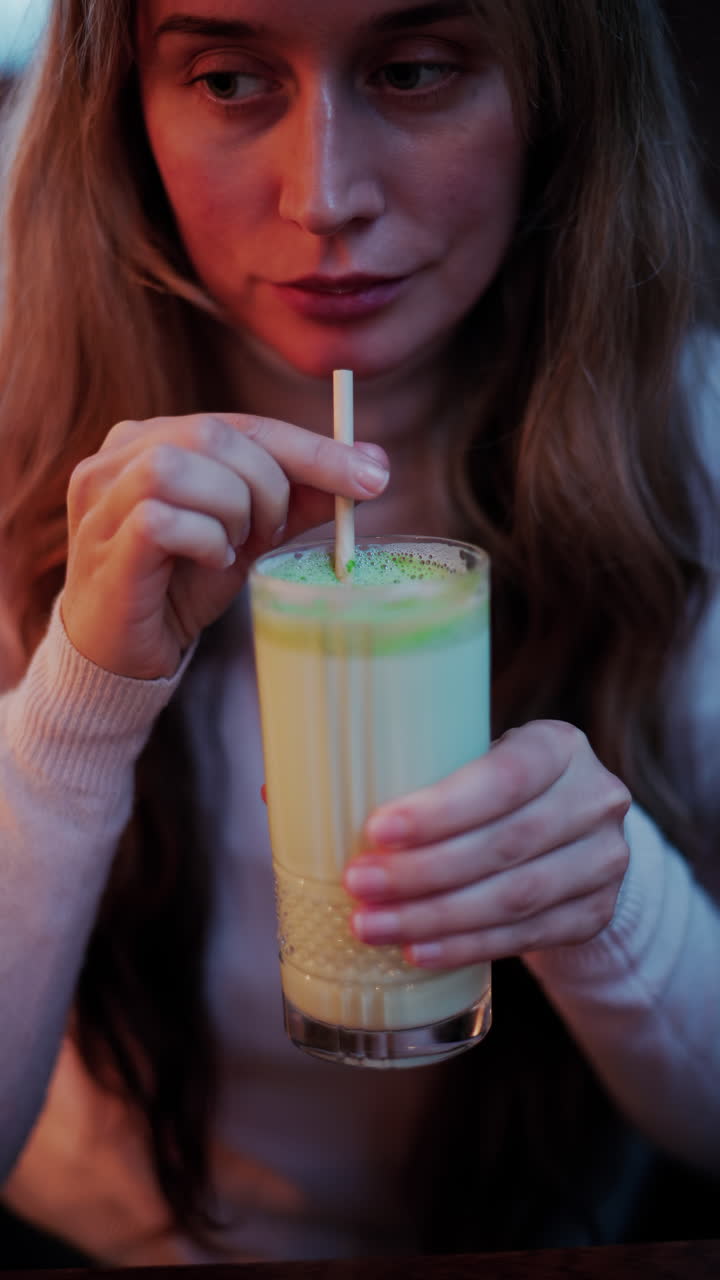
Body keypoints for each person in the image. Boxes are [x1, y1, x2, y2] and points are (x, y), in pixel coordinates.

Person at [0, 0, 719, 1264]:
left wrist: (609, 899)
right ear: (126, 114)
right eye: (228, 79)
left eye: (414, 69)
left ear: (561, 99)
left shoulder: (695, 451)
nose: (324, 195)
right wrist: (82, 704)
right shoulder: (16, 450)